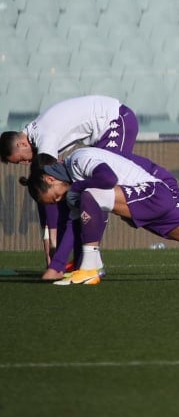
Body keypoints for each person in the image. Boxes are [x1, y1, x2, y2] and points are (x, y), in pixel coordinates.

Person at [21, 149, 179, 285]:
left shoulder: (79, 160)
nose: (59, 200)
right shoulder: (75, 189)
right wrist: (56, 267)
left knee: (89, 195)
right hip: (148, 203)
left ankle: (90, 268)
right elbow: (74, 226)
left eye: (54, 197)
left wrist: (77, 189)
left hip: (153, 192)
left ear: (50, 179)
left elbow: (107, 179)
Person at [2, 94, 140, 280]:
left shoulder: (44, 136)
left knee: (96, 195)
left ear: (21, 143)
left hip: (117, 121)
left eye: (21, 159)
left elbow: (49, 192)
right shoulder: (35, 136)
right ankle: (83, 263)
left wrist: (53, 243)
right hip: (103, 131)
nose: (25, 163)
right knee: (86, 197)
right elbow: (46, 194)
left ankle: (88, 264)